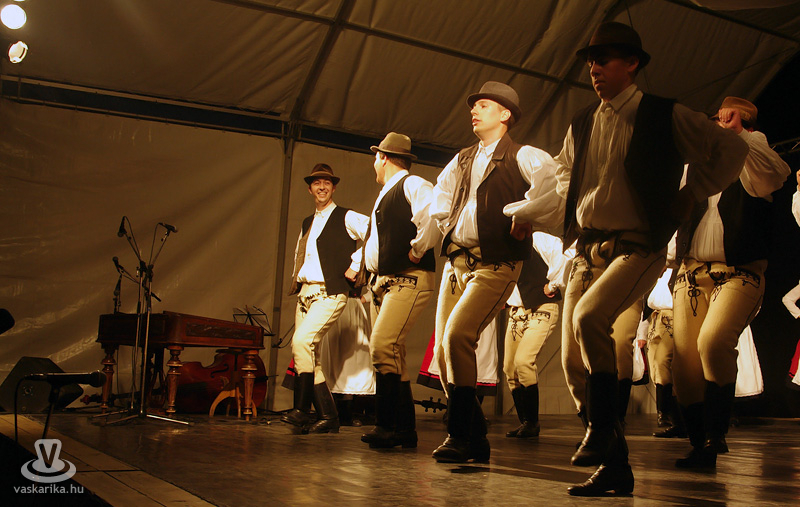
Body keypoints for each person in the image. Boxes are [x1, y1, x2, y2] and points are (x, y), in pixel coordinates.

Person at [513, 22, 749, 496]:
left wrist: (692, 192)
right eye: (591, 62)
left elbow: (731, 148)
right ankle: (614, 462)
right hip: (589, 250)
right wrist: (536, 215)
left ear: (632, 64)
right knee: (572, 362)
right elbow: (564, 179)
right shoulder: (582, 121)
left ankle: (602, 430)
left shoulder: (663, 113)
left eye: (604, 60)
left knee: (589, 317)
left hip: (638, 246)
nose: (594, 69)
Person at [428, 80, 560, 463]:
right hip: (457, 262)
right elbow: (441, 195)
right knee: (443, 352)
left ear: (505, 114)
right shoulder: (462, 158)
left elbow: (554, 184)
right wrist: (450, 227)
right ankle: (476, 437)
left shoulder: (522, 155)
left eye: (483, 105)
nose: (474, 110)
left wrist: (525, 214)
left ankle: (461, 434)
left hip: (496, 263)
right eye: (474, 106)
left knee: (458, 336)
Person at [672, 96, 790, 469]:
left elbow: (776, 174)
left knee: (713, 341)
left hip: (739, 273)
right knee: (684, 364)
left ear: (743, 126)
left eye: (725, 122)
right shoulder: (696, 167)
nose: (717, 127)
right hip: (692, 273)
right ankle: (699, 444)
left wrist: (742, 136)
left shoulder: (753, 160)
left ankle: (715, 434)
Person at [357, 132, 440, 449]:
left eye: (375, 157)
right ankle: (404, 430)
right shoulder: (386, 193)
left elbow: (432, 217)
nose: (373, 163)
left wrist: (418, 250)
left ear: (383, 157)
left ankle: (386, 425)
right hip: (383, 282)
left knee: (382, 346)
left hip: (407, 278)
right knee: (393, 354)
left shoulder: (413, 184)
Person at [281, 163, 369, 434]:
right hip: (306, 294)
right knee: (307, 353)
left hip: (329, 293)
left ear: (333, 187)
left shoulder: (346, 216)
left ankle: (300, 410)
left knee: (302, 342)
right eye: (317, 183)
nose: (322, 187)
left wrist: (356, 264)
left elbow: (375, 233)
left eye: (327, 183)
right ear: (310, 189)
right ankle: (329, 416)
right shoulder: (307, 222)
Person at [504, 232, 569, 439]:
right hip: (516, 313)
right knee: (510, 369)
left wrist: (553, 284)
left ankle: (532, 422)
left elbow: (560, 252)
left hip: (541, 309)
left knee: (524, 361)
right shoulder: (502, 249)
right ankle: (525, 422)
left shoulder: (537, 239)